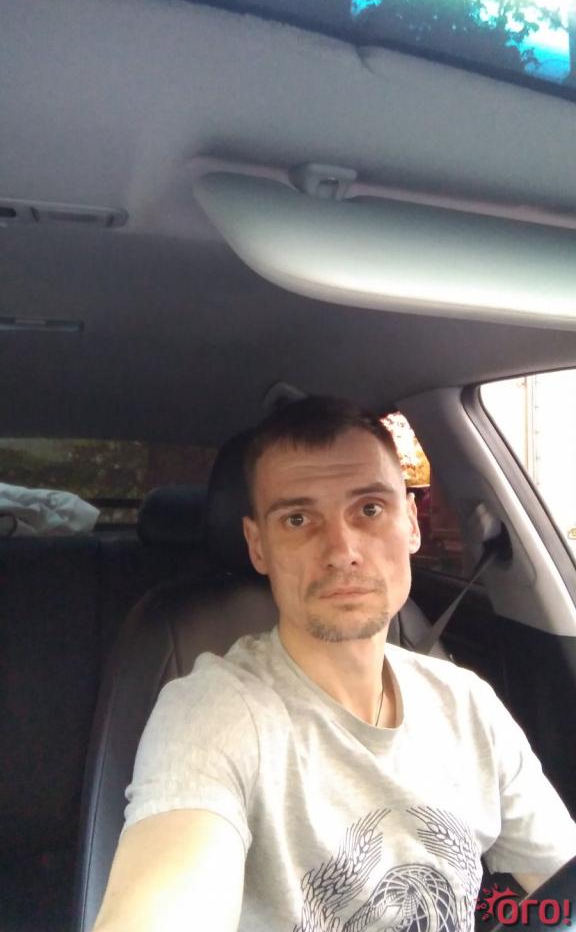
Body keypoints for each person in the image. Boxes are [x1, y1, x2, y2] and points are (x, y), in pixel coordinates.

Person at [92, 397, 576, 932]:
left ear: (411, 523)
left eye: (369, 509)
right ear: (257, 545)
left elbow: (562, 881)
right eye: (298, 519)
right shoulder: (212, 714)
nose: (342, 549)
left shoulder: (468, 704)